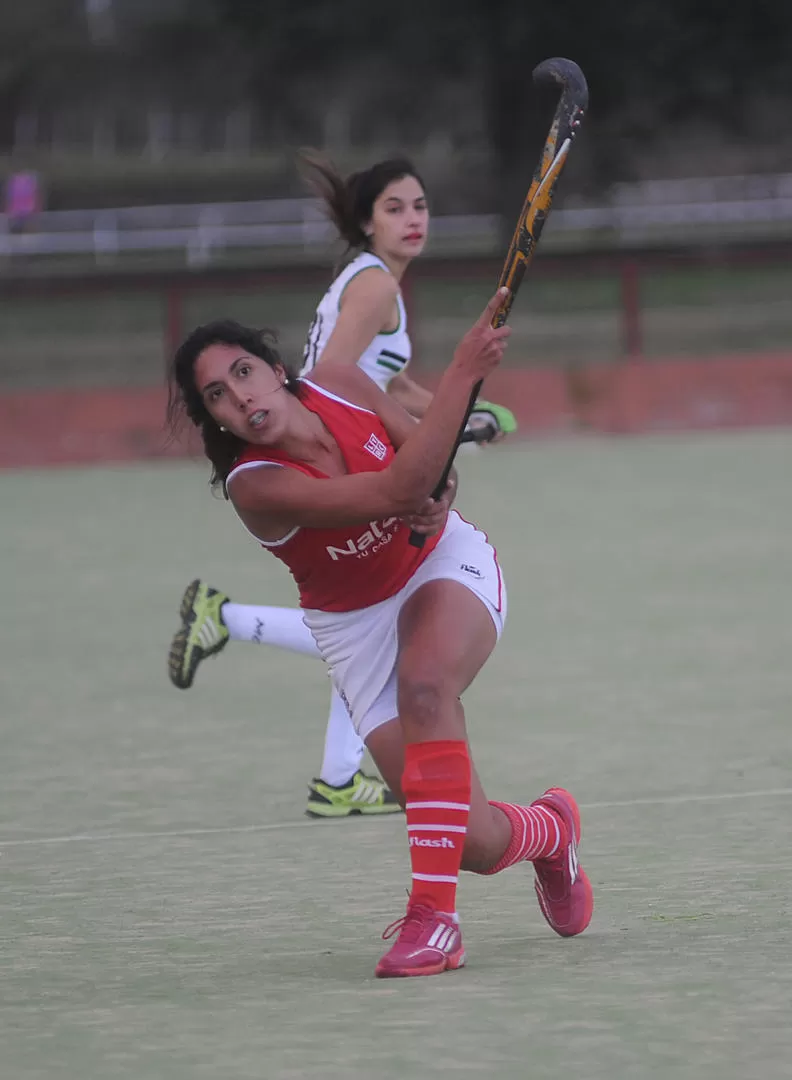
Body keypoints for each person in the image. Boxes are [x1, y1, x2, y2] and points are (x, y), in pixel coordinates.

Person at [167, 290, 593, 978]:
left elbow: (427, 462)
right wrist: (461, 372)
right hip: (355, 626)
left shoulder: (338, 381)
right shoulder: (257, 486)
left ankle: (434, 923)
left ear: (275, 368)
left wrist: (442, 492)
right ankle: (552, 831)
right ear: (212, 417)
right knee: (471, 843)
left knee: (426, 685)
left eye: (244, 372)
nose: (239, 397)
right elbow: (398, 487)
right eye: (216, 394)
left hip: (440, 565)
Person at [168, 154, 517, 819]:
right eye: (394, 209)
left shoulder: (374, 283)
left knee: (386, 625)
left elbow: (386, 384)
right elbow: (338, 373)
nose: (413, 220)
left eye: (420, 206)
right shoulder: (377, 286)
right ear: (365, 222)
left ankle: (336, 773)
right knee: (358, 608)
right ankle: (240, 631)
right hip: (334, 446)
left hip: (355, 439)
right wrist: (452, 401)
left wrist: (449, 425)